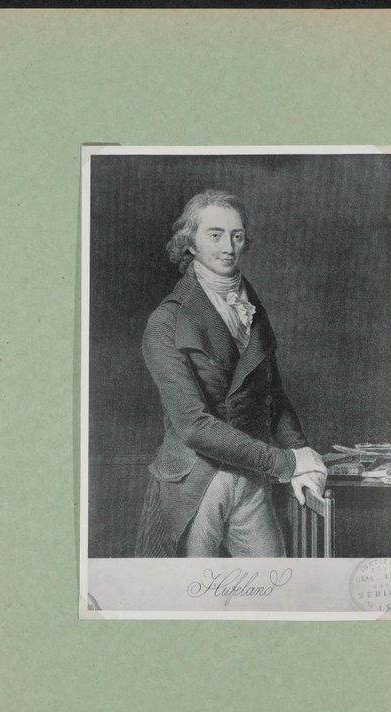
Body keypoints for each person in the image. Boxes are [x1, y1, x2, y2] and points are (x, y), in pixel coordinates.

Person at [135, 189, 327, 558]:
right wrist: (287, 463)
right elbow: (194, 427)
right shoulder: (166, 321)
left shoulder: (251, 309)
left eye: (236, 236)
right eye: (215, 235)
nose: (228, 247)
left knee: (274, 581)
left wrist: (302, 455)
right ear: (190, 243)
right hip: (195, 480)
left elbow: (274, 397)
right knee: (197, 588)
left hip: (251, 477)